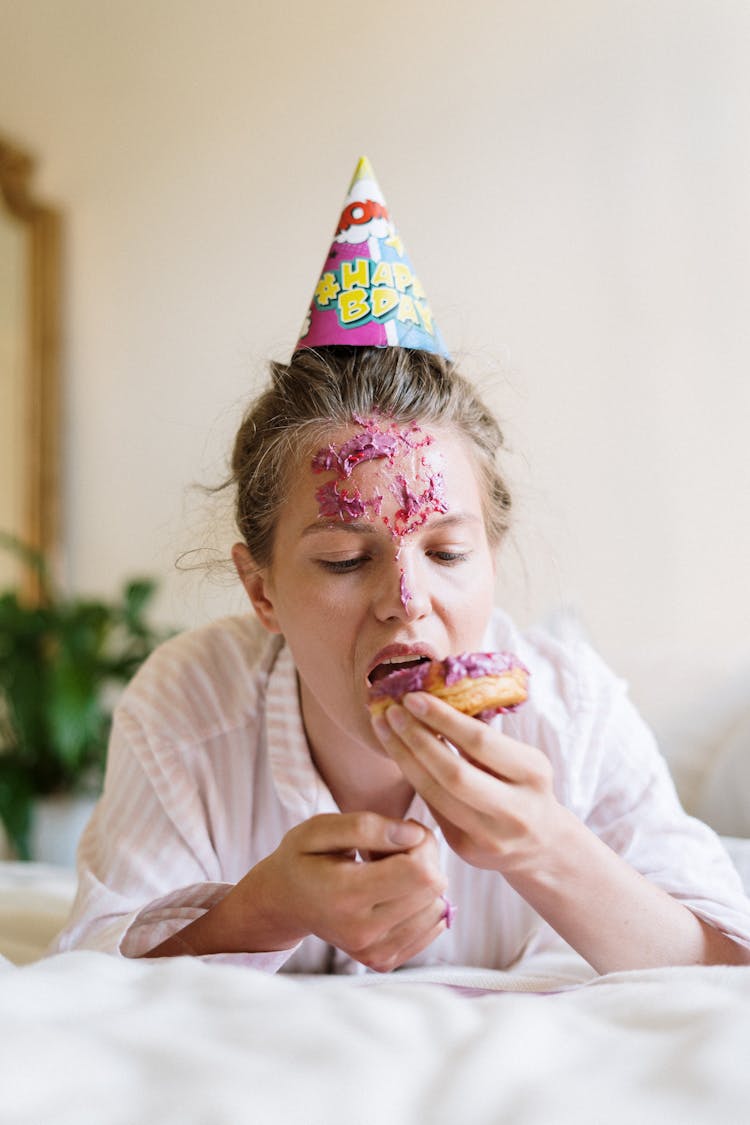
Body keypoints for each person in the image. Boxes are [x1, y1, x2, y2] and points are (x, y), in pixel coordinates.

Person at [52, 160, 750, 974]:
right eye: (347, 558)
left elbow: (726, 972)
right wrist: (264, 906)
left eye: (448, 552)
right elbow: (91, 974)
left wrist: (549, 848)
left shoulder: (574, 714)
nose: (407, 602)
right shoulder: (187, 708)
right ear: (261, 590)